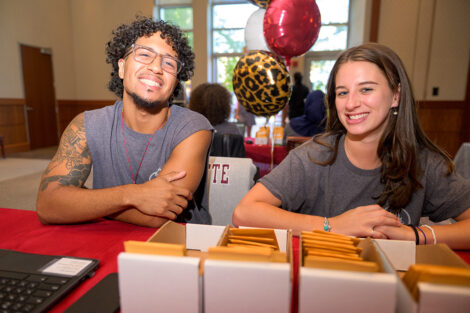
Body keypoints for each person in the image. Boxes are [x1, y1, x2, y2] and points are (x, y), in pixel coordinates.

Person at [233, 43, 470, 249]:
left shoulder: (424, 163)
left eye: (366, 89)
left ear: (396, 95)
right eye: (342, 92)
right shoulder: (314, 157)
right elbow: (244, 212)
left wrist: (416, 235)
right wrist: (332, 226)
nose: (351, 103)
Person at [36, 17, 213, 227]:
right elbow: (48, 206)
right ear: (121, 67)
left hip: (174, 247)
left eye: (169, 63)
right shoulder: (85, 125)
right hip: (106, 241)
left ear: (175, 80)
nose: (156, 68)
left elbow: (158, 216)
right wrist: (132, 195)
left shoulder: (193, 128)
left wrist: (85, 202)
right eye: (144, 54)